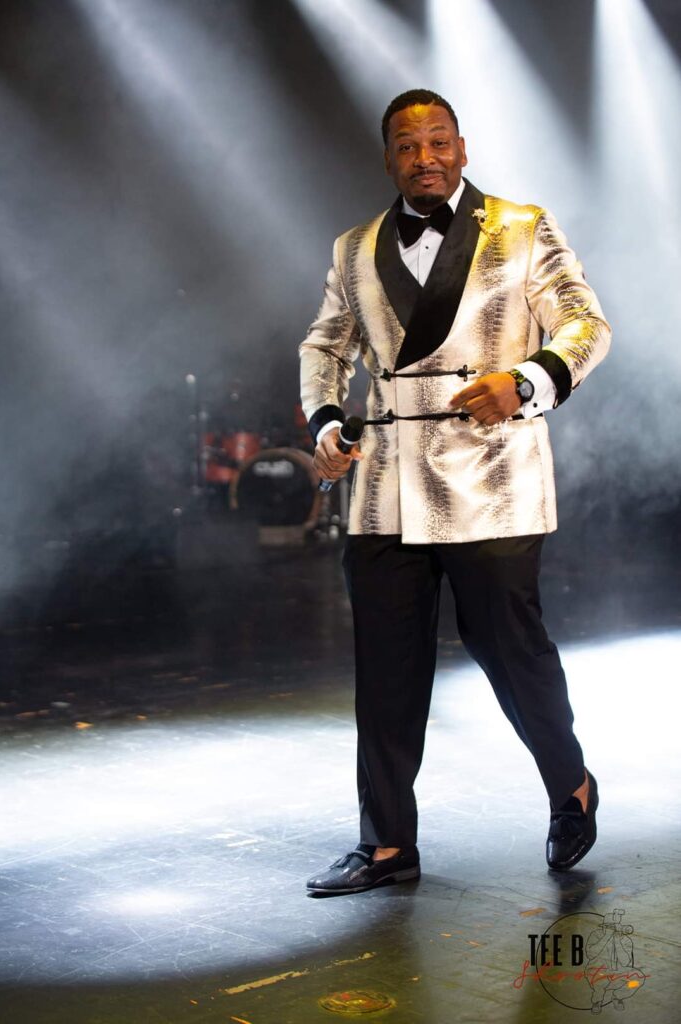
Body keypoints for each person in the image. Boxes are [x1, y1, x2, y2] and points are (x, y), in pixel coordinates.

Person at [299, 89, 610, 895]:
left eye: (438, 142)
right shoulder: (352, 248)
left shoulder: (521, 226)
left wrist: (529, 378)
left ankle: (569, 783)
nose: (425, 157)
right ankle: (387, 843)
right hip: (383, 480)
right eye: (408, 146)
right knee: (386, 667)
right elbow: (325, 344)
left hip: (492, 472)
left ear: (462, 149)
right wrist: (328, 418)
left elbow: (585, 324)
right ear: (390, 157)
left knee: (510, 652)